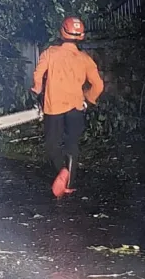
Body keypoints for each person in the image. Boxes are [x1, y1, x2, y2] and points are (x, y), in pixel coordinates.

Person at [31, 16, 105, 198]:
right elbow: (99, 85)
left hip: (53, 108)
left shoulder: (50, 53)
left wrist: (36, 90)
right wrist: (88, 100)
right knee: (72, 144)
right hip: (76, 107)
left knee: (52, 145)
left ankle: (62, 170)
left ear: (62, 32)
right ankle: (70, 184)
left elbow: (38, 77)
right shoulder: (85, 59)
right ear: (81, 35)